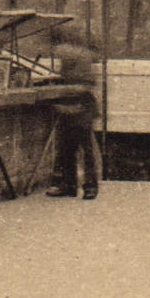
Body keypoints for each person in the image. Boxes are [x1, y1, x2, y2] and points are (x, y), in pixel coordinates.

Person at [46, 21, 101, 200]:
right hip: (75, 104)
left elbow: (82, 84)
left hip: (79, 105)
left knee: (78, 148)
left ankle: (82, 186)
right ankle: (77, 186)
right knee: (71, 147)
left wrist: (59, 90)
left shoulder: (71, 53)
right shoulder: (81, 54)